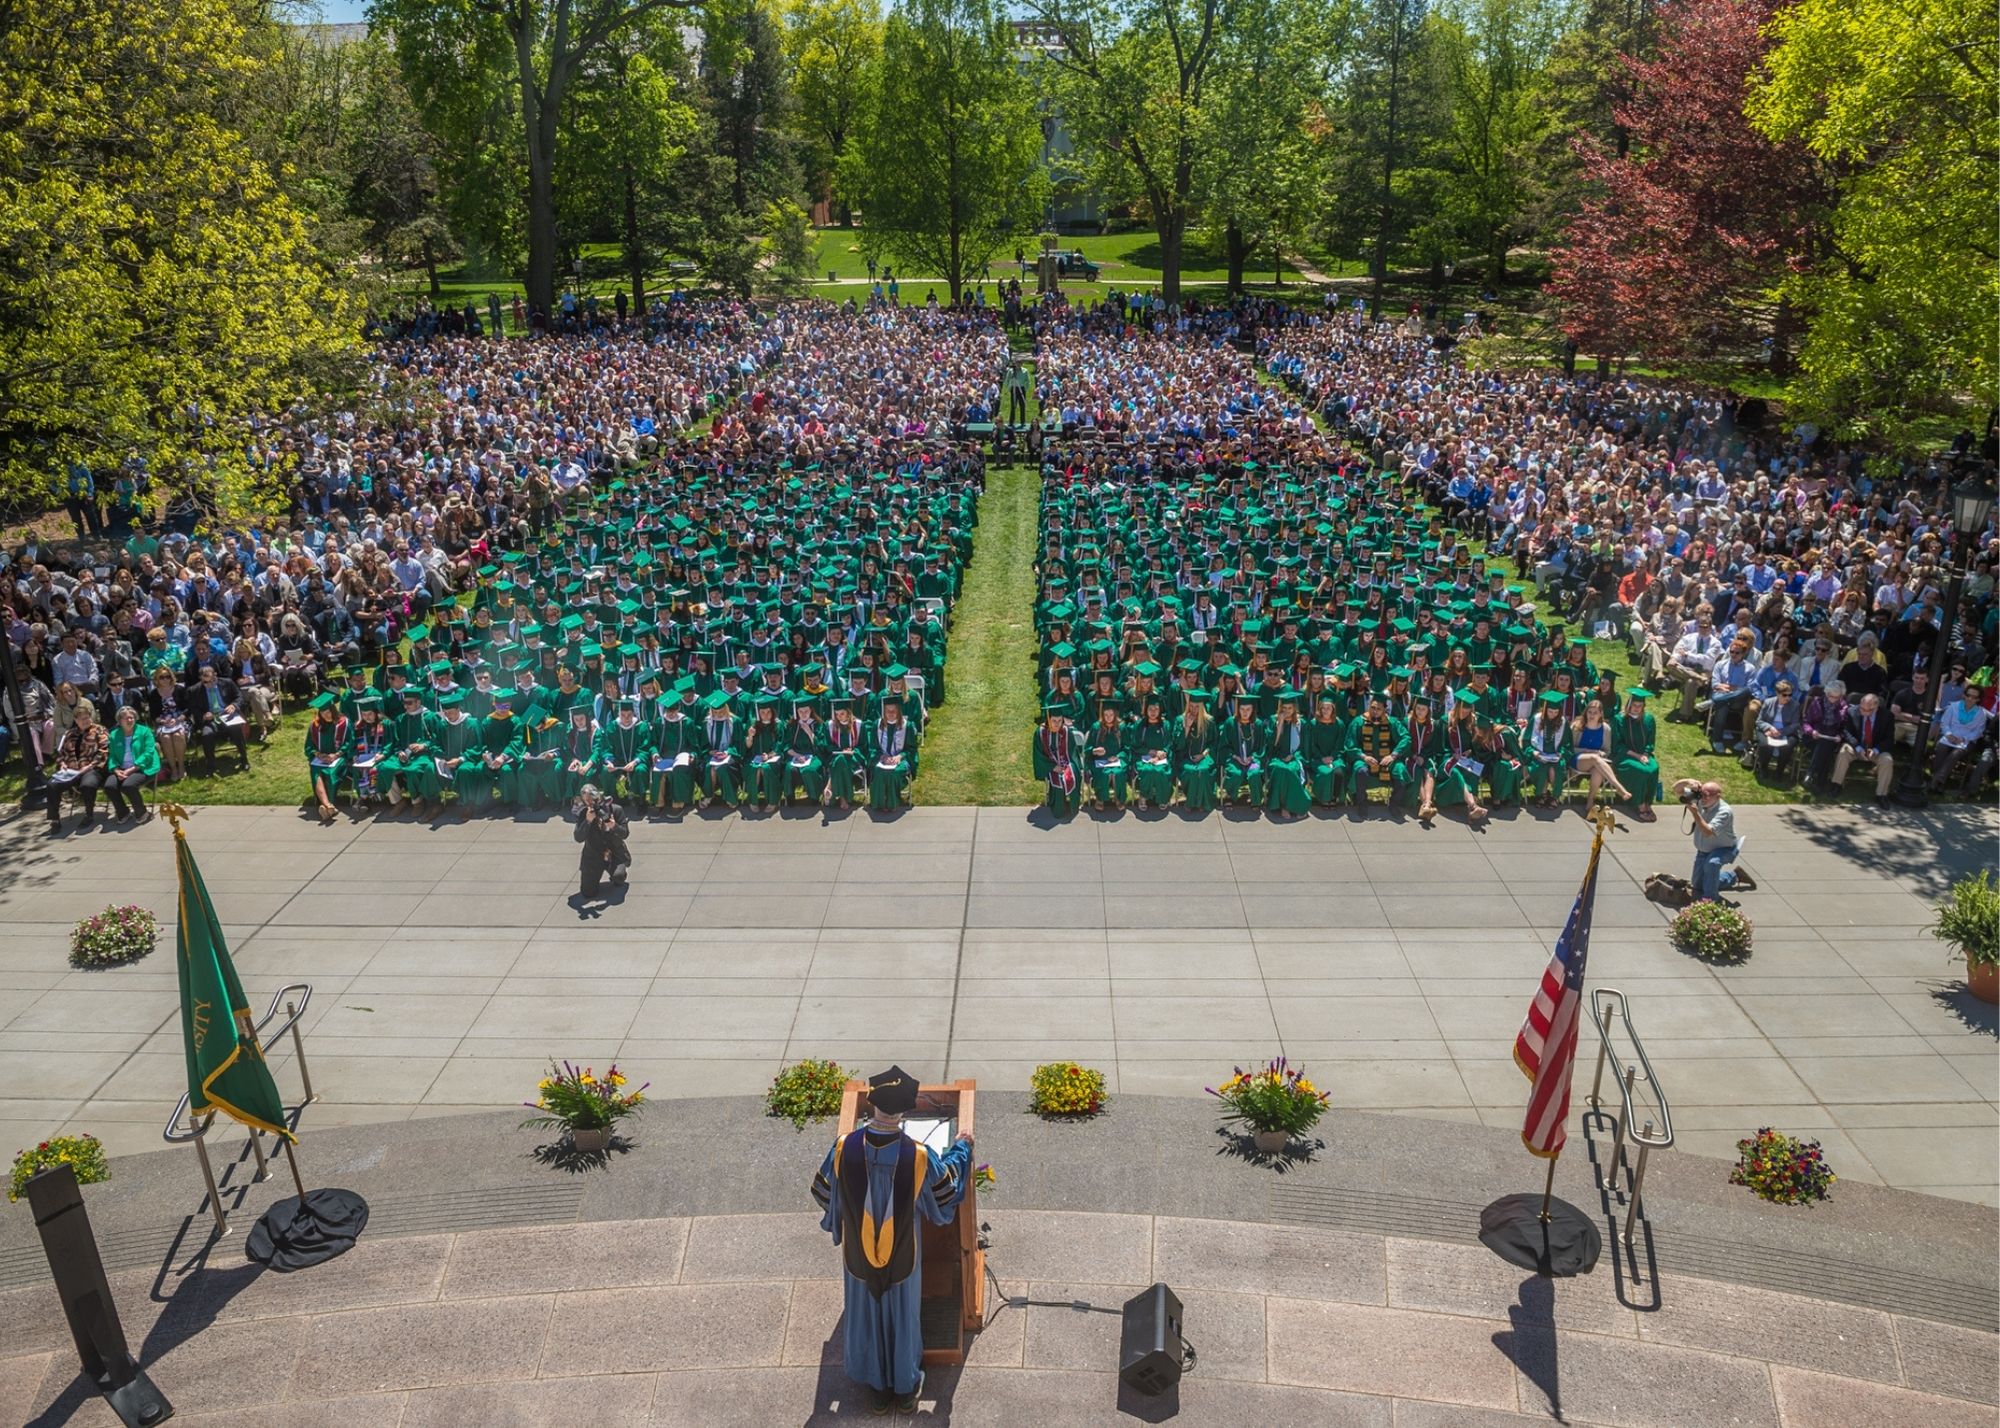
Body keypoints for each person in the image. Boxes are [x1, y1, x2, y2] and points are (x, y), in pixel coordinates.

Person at [810, 1066, 974, 1416]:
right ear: (904, 1112)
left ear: (872, 1106)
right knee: (902, 1314)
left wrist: (851, 1217)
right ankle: (905, 1388)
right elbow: (945, 1191)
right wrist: (961, 1149)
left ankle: (877, 1391)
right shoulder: (916, 1155)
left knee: (866, 1311)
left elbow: (823, 1191)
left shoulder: (843, 1147)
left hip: (858, 1252)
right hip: (903, 1253)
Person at [1672, 778, 1740, 903]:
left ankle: (1709, 900)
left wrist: (1695, 813)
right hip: (1704, 850)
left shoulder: (1724, 811)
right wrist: (1688, 781)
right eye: (1701, 794)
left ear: (1718, 796)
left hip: (1724, 848)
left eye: (1706, 795)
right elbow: (1676, 789)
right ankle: (1734, 876)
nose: (1702, 798)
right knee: (1698, 885)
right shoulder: (1700, 799)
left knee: (1712, 863)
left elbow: (1708, 832)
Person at [46, 701, 108, 833]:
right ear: (75, 720)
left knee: (88, 784)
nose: (85, 721)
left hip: (91, 769)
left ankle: (89, 814)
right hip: (71, 771)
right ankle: (55, 819)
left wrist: (89, 766)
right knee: (52, 784)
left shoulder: (99, 730)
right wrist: (62, 764)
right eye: (82, 719)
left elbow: (104, 752)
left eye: (87, 717)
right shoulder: (70, 733)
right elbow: (62, 753)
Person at [1831, 692, 1895, 803]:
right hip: (1857, 746)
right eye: (1862, 709)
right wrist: (1858, 748)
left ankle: (1881, 795)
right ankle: (1837, 784)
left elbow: (1889, 739)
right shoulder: (1852, 712)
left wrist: (1876, 750)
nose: (1864, 712)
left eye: (1868, 710)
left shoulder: (1887, 716)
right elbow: (1846, 733)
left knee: (1887, 761)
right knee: (1843, 753)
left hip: (1876, 749)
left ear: (1876, 707)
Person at [573, 784, 631, 900]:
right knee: (588, 893)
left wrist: (614, 826)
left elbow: (625, 834)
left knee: (618, 877)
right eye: (587, 802)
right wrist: (587, 822)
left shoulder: (616, 809)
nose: (591, 804)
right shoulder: (583, 814)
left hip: (614, 852)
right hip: (593, 855)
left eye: (592, 800)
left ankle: (618, 872)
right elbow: (578, 838)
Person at [103, 705, 158, 823]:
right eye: (126, 718)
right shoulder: (114, 734)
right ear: (119, 720)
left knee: (128, 785)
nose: (129, 720)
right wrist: (116, 770)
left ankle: (142, 812)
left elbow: (148, 753)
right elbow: (112, 755)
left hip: (144, 767)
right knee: (109, 786)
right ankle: (123, 812)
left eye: (132, 717)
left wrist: (133, 769)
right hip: (122, 768)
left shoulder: (145, 731)